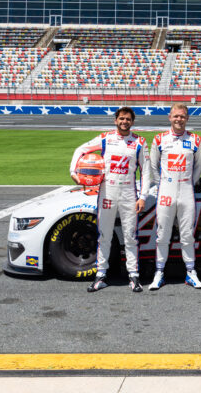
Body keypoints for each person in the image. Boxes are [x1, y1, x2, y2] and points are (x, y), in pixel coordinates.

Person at [69, 107, 151, 293]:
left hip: (129, 193)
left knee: (130, 236)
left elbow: (146, 172)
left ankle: (134, 275)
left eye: (128, 119)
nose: (124, 122)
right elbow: (81, 149)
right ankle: (101, 275)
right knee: (104, 235)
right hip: (107, 192)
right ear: (116, 120)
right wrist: (74, 173)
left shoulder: (139, 141)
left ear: (132, 122)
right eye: (121, 118)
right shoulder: (105, 138)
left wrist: (143, 196)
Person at [148, 103, 201, 290]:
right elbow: (153, 167)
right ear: (170, 118)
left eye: (182, 116)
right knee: (162, 234)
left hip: (187, 191)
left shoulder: (196, 140)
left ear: (187, 118)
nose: (179, 119)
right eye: (176, 116)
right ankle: (159, 272)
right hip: (166, 191)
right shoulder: (159, 139)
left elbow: (199, 167)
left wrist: (189, 182)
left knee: (187, 235)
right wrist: (162, 183)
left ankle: (191, 272)